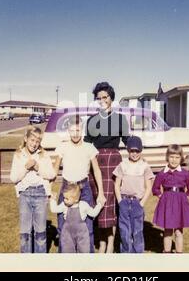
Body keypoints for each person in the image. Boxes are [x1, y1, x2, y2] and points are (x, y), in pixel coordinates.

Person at [84, 81, 130, 253]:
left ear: (111, 98)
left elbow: (128, 141)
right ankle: (102, 241)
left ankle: (110, 242)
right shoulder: (91, 120)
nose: (102, 100)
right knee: (99, 201)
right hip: (96, 163)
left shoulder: (120, 119)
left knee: (111, 203)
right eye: (99, 98)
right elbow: (87, 145)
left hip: (113, 162)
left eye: (105, 97)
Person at [53, 115, 105, 253]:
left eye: (78, 130)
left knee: (87, 228)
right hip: (67, 188)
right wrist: (49, 190)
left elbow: (97, 171)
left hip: (84, 189)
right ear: (68, 131)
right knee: (63, 226)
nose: (75, 134)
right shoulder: (62, 147)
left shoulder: (89, 147)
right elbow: (54, 170)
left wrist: (101, 192)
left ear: (82, 130)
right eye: (72, 130)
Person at [10, 126, 56, 253]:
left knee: (40, 232)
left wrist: (37, 168)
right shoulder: (19, 155)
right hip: (25, 194)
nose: (34, 144)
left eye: (37, 141)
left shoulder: (43, 155)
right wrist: (26, 167)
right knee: (25, 232)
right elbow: (13, 178)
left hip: (41, 194)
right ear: (26, 139)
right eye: (32, 140)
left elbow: (51, 174)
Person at [113, 136, 154, 253]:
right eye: (132, 151)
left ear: (141, 151)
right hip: (124, 202)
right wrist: (120, 201)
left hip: (137, 203)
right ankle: (126, 254)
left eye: (137, 151)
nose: (134, 154)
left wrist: (142, 203)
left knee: (137, 232)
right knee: (124, 231)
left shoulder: (145, 166)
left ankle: (137, 255)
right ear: (128, 150)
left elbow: (149, 187)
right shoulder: (122, 165)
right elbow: (117, 185)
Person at [152, 144, 189, 253]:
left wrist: (186, 198)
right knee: (167, 231)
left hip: (180, 205)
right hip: (167, 204)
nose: (174, 160)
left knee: (179, 231)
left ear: (181, 158)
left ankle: (179, 254)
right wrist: (162, 197)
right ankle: (167, 252)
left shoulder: (185, 174)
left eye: (177, 157)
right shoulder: (162, 173)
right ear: (167, 157)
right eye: (171, 157)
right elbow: (155, 188)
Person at [49, 183, 106, 253]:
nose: (64, 200)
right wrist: (53, 200)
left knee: (84, 250)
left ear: (76, 199)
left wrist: (100, 205)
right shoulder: (64, 205)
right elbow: (54, 209)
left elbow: (93, 213)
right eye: (64, 198)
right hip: (67, 234)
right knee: (67, 251)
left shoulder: (83, 205)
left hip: (81, 234)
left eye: (67, 198)